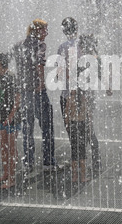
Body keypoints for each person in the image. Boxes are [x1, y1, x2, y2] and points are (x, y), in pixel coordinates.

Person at [57, 18, 104, 174]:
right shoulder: (85, 44)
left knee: (72, 129)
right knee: (88, 127)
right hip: (87, 95)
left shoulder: (63, 48)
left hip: (68, 94)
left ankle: (78, 160)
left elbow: (60, 73)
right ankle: (93, 160)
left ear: (64, 31)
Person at [9, 19, 56, 172]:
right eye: (44, 30)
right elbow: (39, 64)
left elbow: (13, 64)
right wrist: (41, 84)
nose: (46, 33)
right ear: (37, 30)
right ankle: (48, 162)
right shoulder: (39, 44)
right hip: (37, 92)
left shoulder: (18, 44)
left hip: (24, 92)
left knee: (27, 129)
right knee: (47, 127)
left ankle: (28, 163)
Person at [0, 51, 21, 189]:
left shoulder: (11, 77)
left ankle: (12, 179)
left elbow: (18, 98)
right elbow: (1, 98)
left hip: (14, 116)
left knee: (11, 148)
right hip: (4, 116)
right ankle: (6, 174)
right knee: (1, 144)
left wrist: (11, 117)